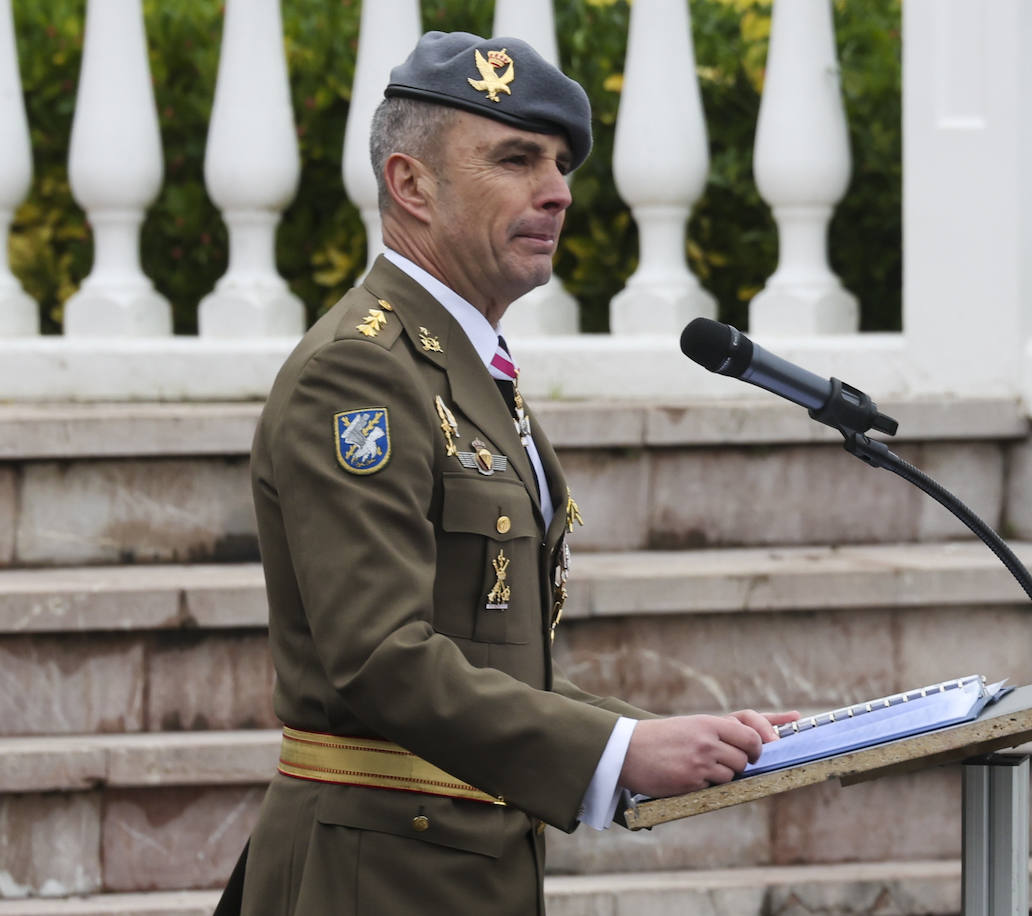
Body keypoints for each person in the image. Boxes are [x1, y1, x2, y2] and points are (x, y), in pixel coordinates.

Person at [229, 31, 797, 916]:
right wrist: (614, 753)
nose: (558, 191)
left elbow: (487, 653)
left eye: (561, 163)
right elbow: (381, 658)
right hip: (377, 878)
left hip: (464, 863)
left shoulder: (463, 364)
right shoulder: (363, 370)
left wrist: (648, 736)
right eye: (516, 158)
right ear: (410, 184)